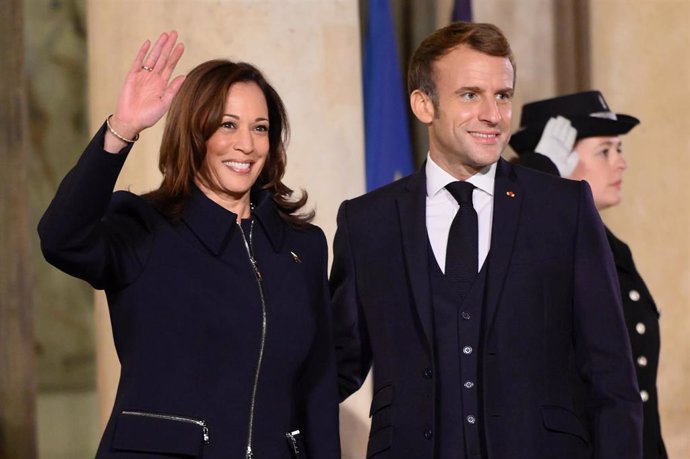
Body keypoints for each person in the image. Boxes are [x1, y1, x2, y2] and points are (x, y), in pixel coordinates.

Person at [330, 21, 642, 458]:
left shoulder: (563, 208)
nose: (493, 115)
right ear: (423, 104)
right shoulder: (367, 221)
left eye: (503, 96)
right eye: (470, 95)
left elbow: (611, 377)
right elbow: (333, 371)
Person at [38, 31, 340, 458]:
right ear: (194, 132)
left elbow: (317, 389)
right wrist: (122, 129)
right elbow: (59, 238)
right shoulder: (142, 226)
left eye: (260, 128)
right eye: (227, 125)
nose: (246, 145)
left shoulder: (302, 247)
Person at [510, 90, 667, 459]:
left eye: (620, 149)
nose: (621, 163)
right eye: (605, 151)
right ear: (561, 161)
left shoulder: (612, 249)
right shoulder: (537, 251)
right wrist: (537, 173)